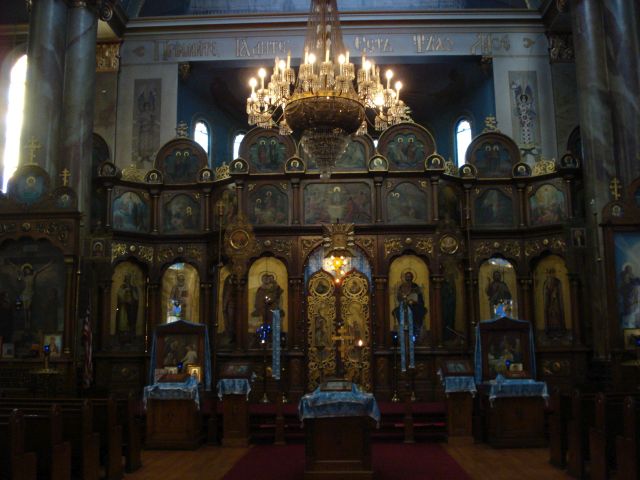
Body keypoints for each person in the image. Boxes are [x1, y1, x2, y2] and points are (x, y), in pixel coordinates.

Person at [392, 271, 427, 339]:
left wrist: (414, 301)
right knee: (397, 311)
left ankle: (415, 330)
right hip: (404, 304)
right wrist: (404, 298)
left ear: (412, 277)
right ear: (405, 278)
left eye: (409, 276)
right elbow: (399, 297)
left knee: (419, 311)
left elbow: (419, 297)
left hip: (415, 305)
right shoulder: (402, 286)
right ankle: (403, 331)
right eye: (407, 276)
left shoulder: (415, 286)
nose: (408, 278)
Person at [543, 268, 566, 337]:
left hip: (557, 303)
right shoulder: (546, 282)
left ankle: (559, 330)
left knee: (557, 315)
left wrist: (556, 293)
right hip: (549, 303)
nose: (551, 275)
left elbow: (560, 293)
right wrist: (549, 294)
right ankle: (550, 330)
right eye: (550, 273)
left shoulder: (558, 282)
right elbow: (545, 293)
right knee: (550, 316)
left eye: (553, 273)